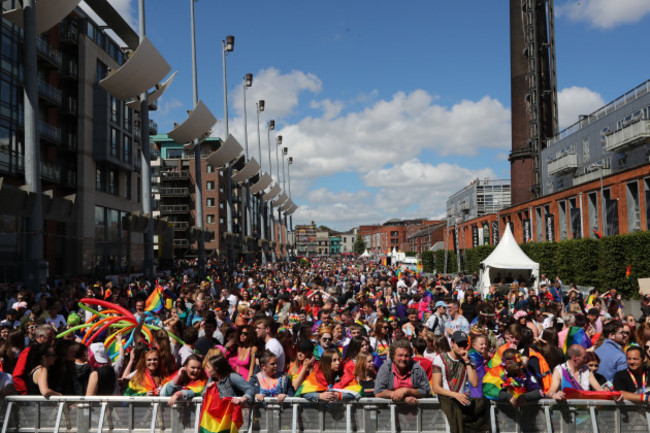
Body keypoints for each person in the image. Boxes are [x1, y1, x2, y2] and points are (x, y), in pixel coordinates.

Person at [431, 331, 485, 433]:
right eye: (459, 344)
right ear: (452, 343)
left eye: (464, 344)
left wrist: (467, 362)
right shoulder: (439, 359)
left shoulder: (470, 360)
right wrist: (455, 395)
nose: (462, 347)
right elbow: (435, 387)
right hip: (447, 399)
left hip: (461, 400)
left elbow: (474, 383)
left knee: (481, 405)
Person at [375, 339, 431, 404]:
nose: (403, 359)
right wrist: (398, 395)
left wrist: (407, 391)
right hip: (390, 411)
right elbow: (378, 392)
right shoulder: (386, 368)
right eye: (400, 355)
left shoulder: (417, 369)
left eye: (406, 356)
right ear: (393, 356)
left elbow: (426, 391)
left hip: (414, 411)